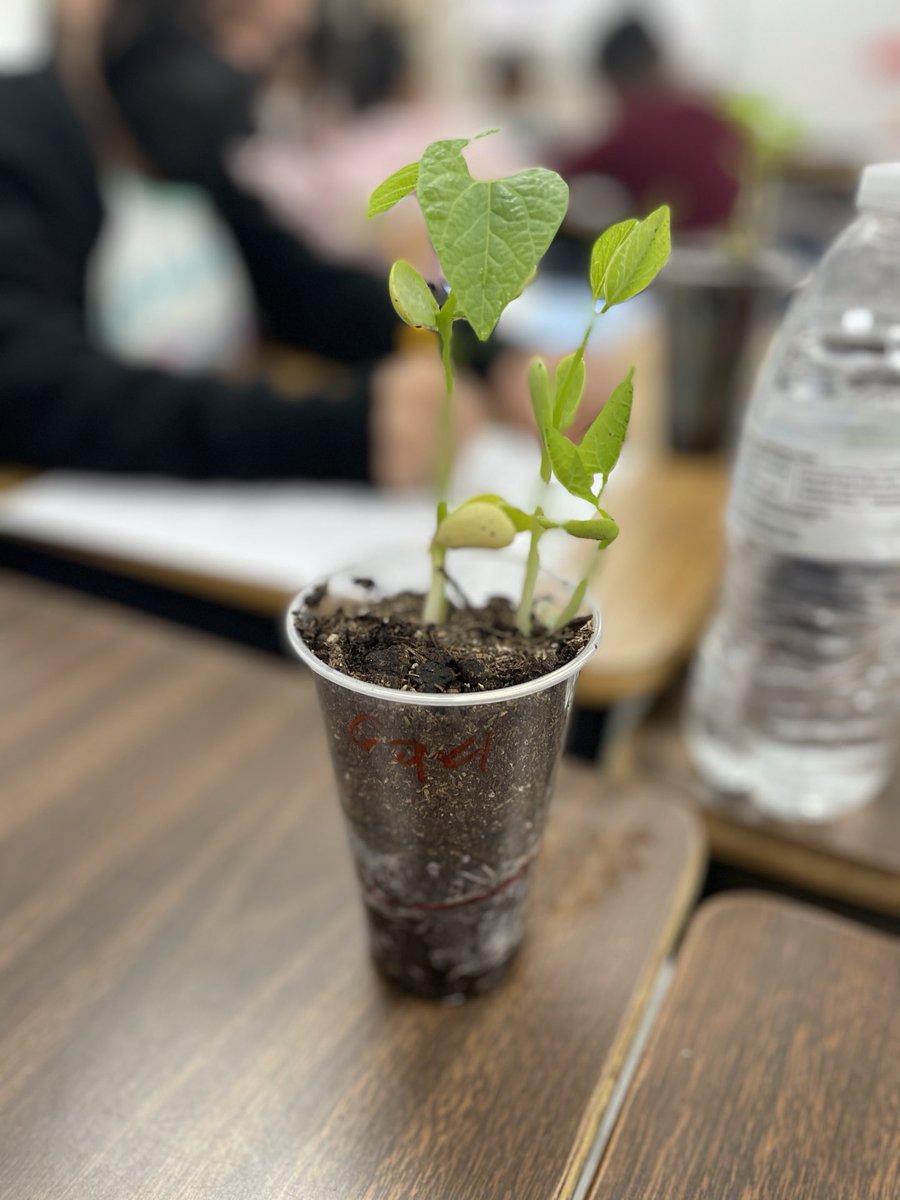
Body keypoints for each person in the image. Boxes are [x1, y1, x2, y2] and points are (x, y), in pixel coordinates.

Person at [0, 0, 481, 487]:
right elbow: (32, 386)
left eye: (275, 44)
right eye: (230, 19)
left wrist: (479, 343)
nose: (243, 60)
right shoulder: (21, 139)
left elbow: (310, 288)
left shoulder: (190, 161)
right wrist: (331, 433)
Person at [558, 16, 747, 233]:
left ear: (618, 81)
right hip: (726, 247)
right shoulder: (714, 118)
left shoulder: (632, 132)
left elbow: (559, 177)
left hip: (666, 253)